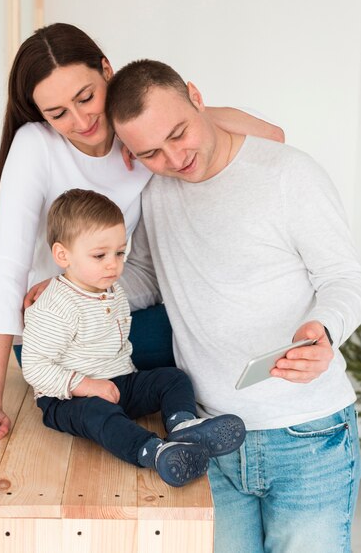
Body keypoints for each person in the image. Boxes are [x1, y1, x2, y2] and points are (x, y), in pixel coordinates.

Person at [0, 23, 283, 450]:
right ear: (41, 115)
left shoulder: (136, 134)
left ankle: (186, 427)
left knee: (210, 315)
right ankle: (155, 441)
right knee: (207, 334)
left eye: (86, 97)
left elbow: (272, 138)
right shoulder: (34, 147)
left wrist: (158, 126)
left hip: (112, 314)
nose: (80, 120)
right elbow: (8, 274)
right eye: (58, 114)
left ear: (107, 71)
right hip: (57, 341)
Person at [105, 59, 361, 553]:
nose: (175, 158)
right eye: (151, 152)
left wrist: (324, 330)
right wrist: (79, 290)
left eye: (179, 133)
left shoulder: (288, 174)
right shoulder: (156, 193)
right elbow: (144, 278)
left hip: (307, 436)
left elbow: (344, 277)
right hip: (210, 437)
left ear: (197, 97)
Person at [21, 188, 246, 487]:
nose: (113, 264)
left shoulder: (113, 290)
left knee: (173, 378)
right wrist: (87, 386)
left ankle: (183, 426)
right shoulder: (55, 306)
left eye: (119, 253)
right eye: (99, 255)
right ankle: (155, 451)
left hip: (119, 381)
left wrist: (119, 384)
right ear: (63, 255)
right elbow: (35, 367)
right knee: (98, 414)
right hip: (66, 399)